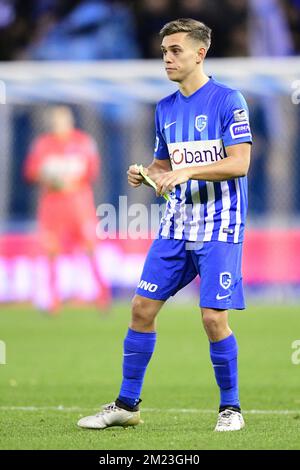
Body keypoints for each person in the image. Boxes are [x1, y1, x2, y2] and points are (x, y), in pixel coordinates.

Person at [78, 18, 252, 432]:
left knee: (213, 318)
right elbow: (164, 165)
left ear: (199, 53)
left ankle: (231, 409)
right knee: (141, 309)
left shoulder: (229, 100)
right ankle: (126, 404)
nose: (167, 58)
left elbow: (240, 162)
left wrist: (187, 174)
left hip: (219, 226)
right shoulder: (165, 109)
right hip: (176, 226)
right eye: (164, 52)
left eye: (175, 50)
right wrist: (146, 172)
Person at [24, 105, 111, 313]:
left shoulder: (83, 142)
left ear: (70, 121)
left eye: (63, 120)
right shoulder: (42, 145)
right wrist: (50, 179)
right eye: (55, 120)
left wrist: (70, 182)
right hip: (53, 205)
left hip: (79, 204)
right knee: (52, 251)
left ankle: (102, 295)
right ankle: (53, 300)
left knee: (90, 248)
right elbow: (30, 172)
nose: (59, 124)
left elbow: (93, 171)